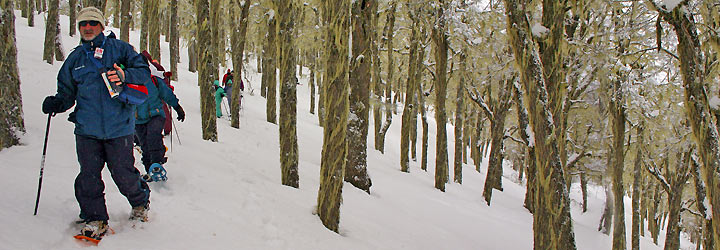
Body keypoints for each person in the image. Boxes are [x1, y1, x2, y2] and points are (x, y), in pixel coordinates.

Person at [41, 7, 151, 241]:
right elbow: (67, 93)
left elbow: (143, 72)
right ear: (78, 28)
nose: (88, 28)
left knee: (123, 174)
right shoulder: (75, 59)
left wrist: (124, 76)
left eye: (93, 23)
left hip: (119, 128)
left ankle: (140, 201)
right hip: (86, 130)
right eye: (83, 24)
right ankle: (95, 218)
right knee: (88, 176)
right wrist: (57, 103)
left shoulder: (120, 49)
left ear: (102, 26)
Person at [135, 51, 185, 181]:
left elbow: (167, 94)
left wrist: (178, 108)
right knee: (144, 145)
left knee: (153, 135)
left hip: (156, 115)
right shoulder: (130, 83)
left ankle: (157, 163)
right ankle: (150, 170)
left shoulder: (154, 81)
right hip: (138, 120)